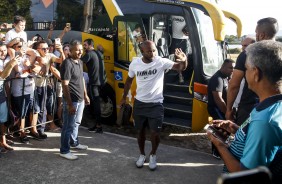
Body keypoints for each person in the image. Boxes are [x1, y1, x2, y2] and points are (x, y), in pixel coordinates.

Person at [207, 40, 282, 183]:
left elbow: (246, 175)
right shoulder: (270, 106)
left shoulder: (265, 121)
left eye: (246, 68)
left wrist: (220, 145)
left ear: (255, 73)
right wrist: (238, 130)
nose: (244, 74)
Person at [120, 40, 187, 170]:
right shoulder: (135, 63)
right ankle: (141, 154)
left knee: (155, 133)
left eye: (154, 50)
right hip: (139, 104)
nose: (153, 53)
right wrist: (123, 97)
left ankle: (153, 154)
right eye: (149, 51)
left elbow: (180, 67)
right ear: (142, 52)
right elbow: (128, 81)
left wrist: (183, 60)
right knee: (140, 133)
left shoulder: (160, 61)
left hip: (156, 104)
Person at [225, 17, 279, 125]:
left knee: (244, 139)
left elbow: (234, 85)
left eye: (256, 32)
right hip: (277, 107)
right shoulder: (280, 52)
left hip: (250, 108)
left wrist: (229, 109)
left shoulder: (248, 53)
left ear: (261, 35)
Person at [59, 40, 90, 160]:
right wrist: (70, 104)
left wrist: (85, 95)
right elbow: (65, 85)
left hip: (80, 98)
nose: (80, 52)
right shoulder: (67, 63)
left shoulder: (80, 62)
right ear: (70, 50)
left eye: (81, 49)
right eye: (77, 50)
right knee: (68, 126)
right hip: (72, 100)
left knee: (76, 123)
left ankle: (74, 142)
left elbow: (81, 79)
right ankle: (64, 150)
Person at [207, 58, 235, 159]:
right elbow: (218, 99)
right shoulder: (217, 79)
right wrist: (227, 112)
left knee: (224, 131)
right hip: (216, 109)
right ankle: (216, 151)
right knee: (218, 130)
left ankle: (222, 148)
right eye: (230, 68)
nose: (232, 70)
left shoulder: (225, 77)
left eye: (234, 68)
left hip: (221, 109)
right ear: (223, 67)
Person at [81, 38, 107, 133]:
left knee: (95, 104)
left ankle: (99, 126)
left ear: (90, 45)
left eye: (85, 45)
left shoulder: (88, 54)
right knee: (97, 103)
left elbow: (78, 62)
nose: (84, 47)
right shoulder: (99, 53)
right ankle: (97, 124)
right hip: (102, 82)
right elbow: (102, 50)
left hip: (94, 83)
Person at [0, 41, 19, 153]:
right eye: (0, 51)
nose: (3, 53)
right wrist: (12, 63)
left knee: (2, 121)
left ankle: (3, 141)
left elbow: (4, 82)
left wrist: (8, 98)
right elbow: (2, 76)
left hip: (2, 97)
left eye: (4, 50)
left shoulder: (3, 61)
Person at [170, 15, 192, 84]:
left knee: (183, 58)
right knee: (175, 58)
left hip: (184, 40)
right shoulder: (172, 13)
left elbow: (191, 25)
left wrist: (187, 29)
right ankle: (179, 75)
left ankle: (182, 75)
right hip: (174, 38)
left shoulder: (186, 13)